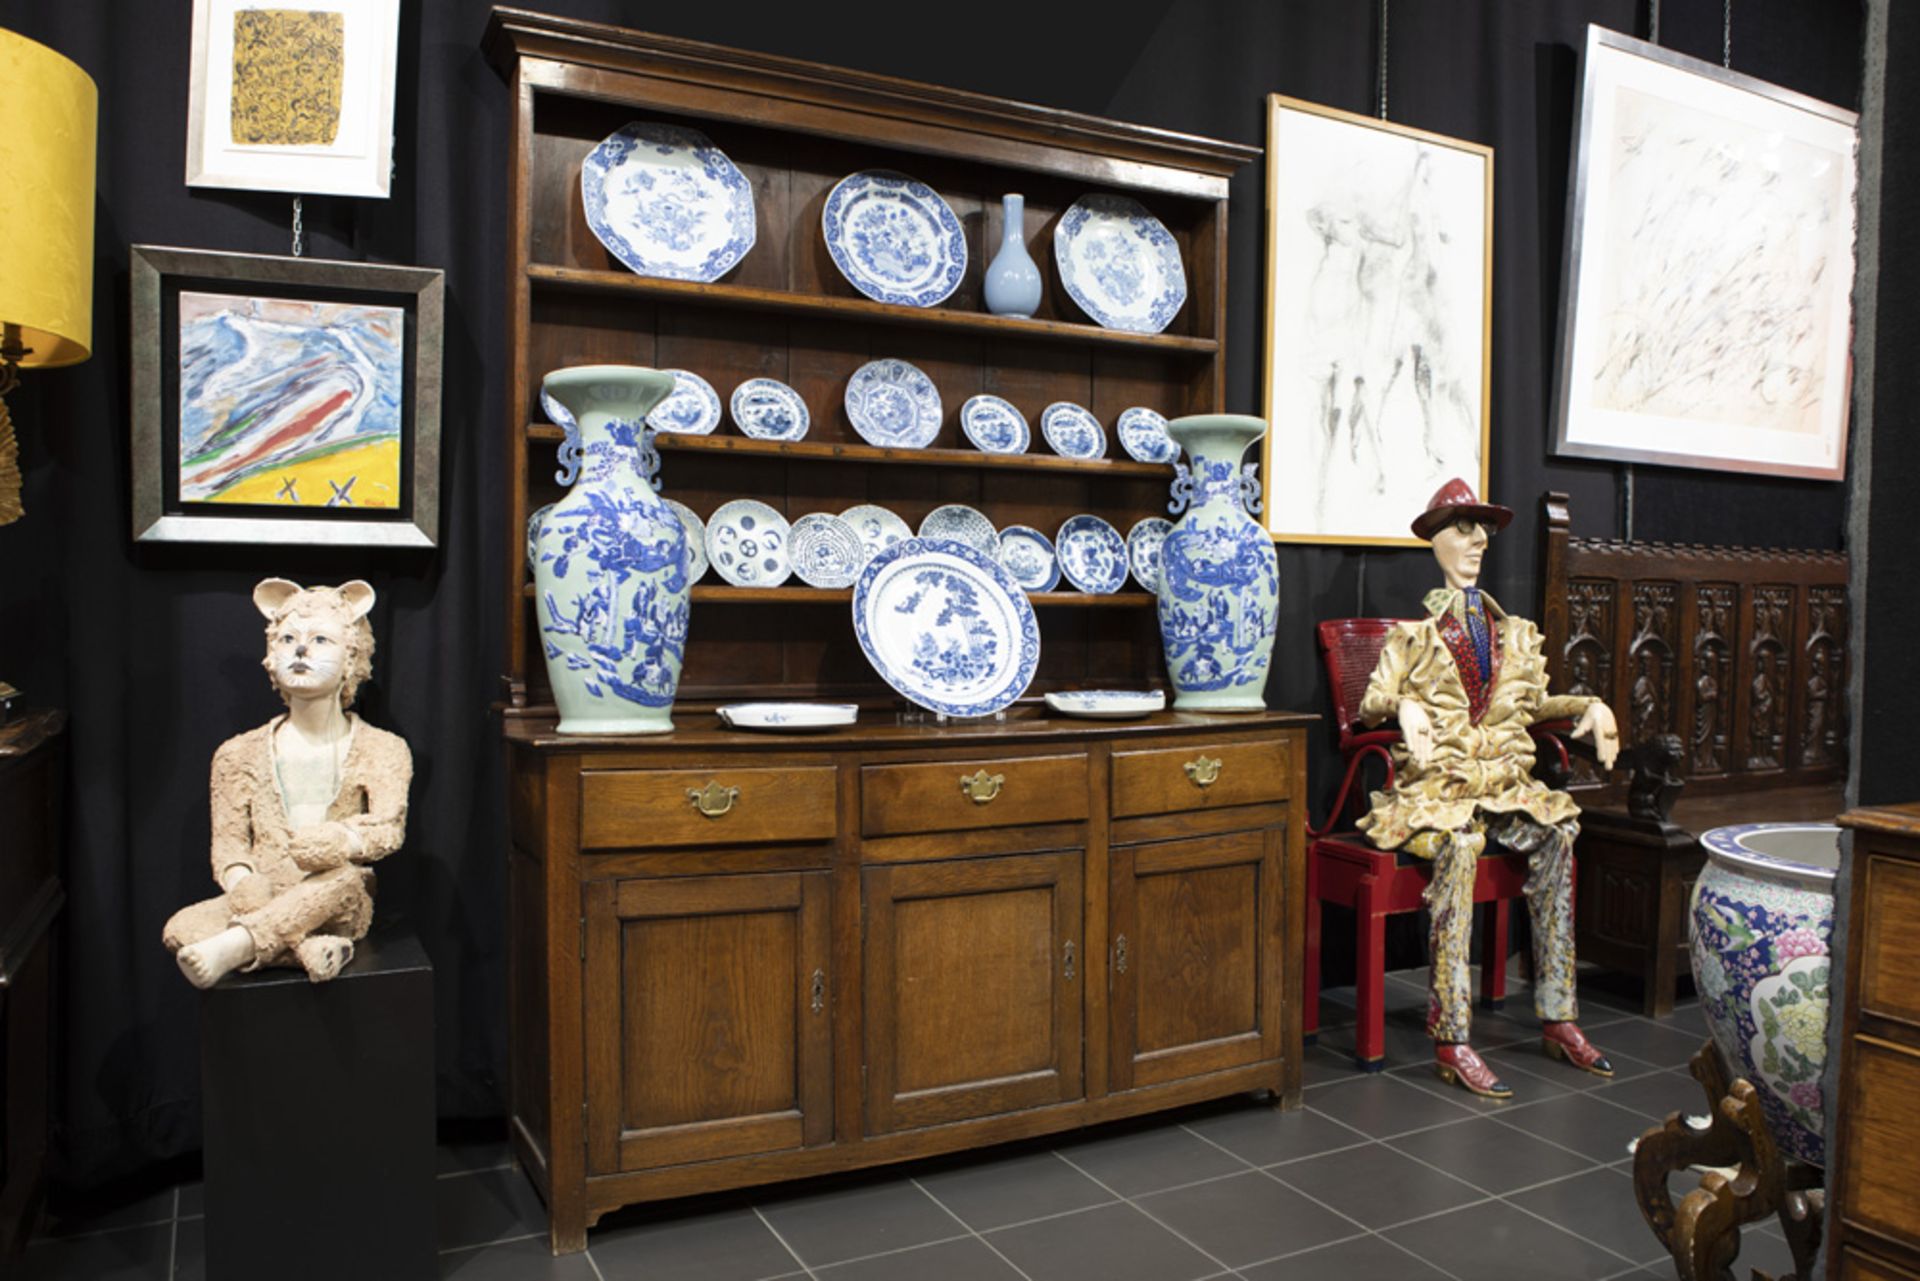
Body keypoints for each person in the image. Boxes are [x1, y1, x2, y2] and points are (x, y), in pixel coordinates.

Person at [1356, 479, 1619, 1098]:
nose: (1475, 542)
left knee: (1558, 832)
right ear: (1434, 541)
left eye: (1483, 531)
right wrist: (1403, 708)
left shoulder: (1516, 634)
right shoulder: (1412, 637)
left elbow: (1531, 705)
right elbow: (1370, 704)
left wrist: (1589, 704)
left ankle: (1559, 1015)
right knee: (1458, 846)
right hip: (1436, 792)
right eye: (1461, 529)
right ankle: (1452, 1033)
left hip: (1502, 787)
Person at [163, 579, 412, 987]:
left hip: (335, 896)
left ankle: (241, 945)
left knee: (344, 881)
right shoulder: (236, 754)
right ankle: (307, 950)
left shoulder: (383, 748)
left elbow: (389, 828)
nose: (301, 651)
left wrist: (343, 840)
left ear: (352, 658)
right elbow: (229, 846)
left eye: (320, 640)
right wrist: (242, 882)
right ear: (270, 655)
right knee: (180, 928)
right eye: (287, 639)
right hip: (261, 897)